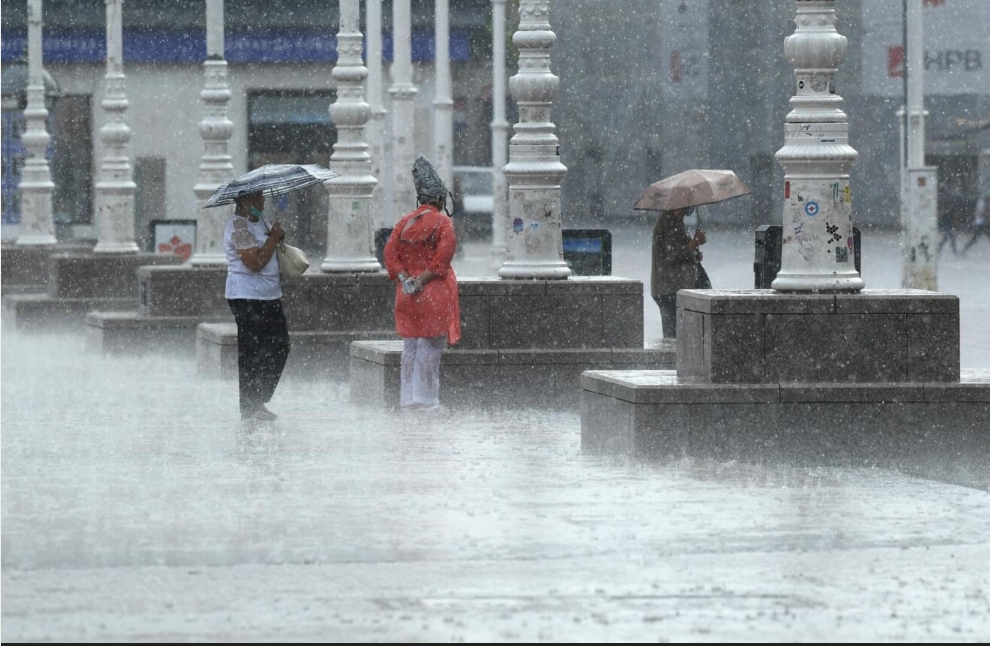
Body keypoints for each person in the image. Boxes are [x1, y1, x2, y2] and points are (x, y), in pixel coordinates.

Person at [384, 156, 461, 410]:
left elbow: (390, 253)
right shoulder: (443, 223)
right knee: (430, 347)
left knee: (410, 347)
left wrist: (406, 279)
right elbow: (443, 259)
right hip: (433, 295)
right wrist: (422, 280)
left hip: (406, 296)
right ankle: (425, 400)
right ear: (439, 199)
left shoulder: (404, 222)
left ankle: (407, 398)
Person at [224, 190, 291, 421]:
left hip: (269, 294)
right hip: (246, 296)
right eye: (257, 198)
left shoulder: (261, 219)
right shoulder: (238, 226)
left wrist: (275, 236)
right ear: (244, 201)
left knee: (280, 346)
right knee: (251, 351)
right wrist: (273, 238)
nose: (262, 201)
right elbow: (254, 263)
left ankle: (257, 400)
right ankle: (250, 406)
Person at [651, 207, 707, 339]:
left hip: (669, 287)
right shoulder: (670, 221)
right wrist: (694, 243)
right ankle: (675, 358)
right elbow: (674, 255)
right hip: (670, 287)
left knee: (675, 334)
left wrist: (695, 253)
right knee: (675, 337)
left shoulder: (674, 221)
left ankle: (676, 356)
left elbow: (678, 250)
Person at [961, 189, 990, 256]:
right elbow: (980, 213)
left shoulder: (985, 203)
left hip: (984, 224)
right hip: (980, 224)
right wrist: (987, 214)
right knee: (974, 239)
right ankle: (964, 250)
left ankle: (964, 250)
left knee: (974, 239)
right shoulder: (981, 203)